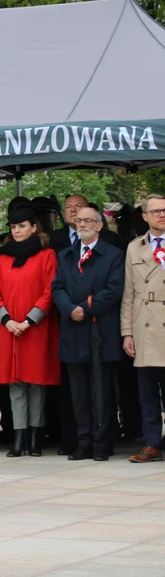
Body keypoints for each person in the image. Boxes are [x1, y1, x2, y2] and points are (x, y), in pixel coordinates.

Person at [52, 206, 124, 462]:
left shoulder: (113, 255)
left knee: (101, 391)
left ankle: (102, 442)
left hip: (100, 331)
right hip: (73, 331)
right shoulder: (65, 255)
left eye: (88, 220)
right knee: (78, 393)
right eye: (78, 220)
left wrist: (86, 307)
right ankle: (83, 442)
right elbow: (57, 287)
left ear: (99, 225)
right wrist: (70, 309)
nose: (82, 224)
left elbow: (114, 289)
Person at [0, 206, 60, 457]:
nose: (17, 231)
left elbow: (49, 291)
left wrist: (29, 321)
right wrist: (7, 320)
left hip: (35, 329)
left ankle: (35, 437)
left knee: (36, 383)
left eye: (22, 226)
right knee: (15, 384)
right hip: (8, 330)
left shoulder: (47, 256)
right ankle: (18, 437)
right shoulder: (2, 258)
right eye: (13, 227)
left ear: (33, 227)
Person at [122, 194, 165, 463]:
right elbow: (129, 293)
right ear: (145, 216)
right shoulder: (134, 248)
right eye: (156, 211)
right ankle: (152, 444)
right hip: (144, 325)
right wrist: (127, 332)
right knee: (147, 393)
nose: (162, 214)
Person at [50, 194, 124, 251]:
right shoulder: (52, 239)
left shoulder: (110, 239)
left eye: (78, 206)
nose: (72, 210)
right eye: (68, 207)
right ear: (63, 212)